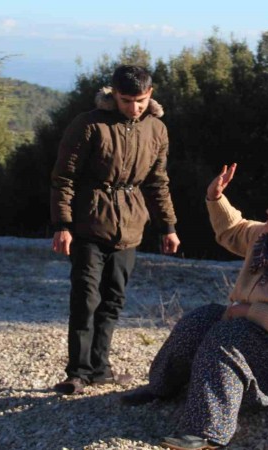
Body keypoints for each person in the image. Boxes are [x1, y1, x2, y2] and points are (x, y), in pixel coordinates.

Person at [122, 163, 268, 450]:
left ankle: (206, 433)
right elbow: (234, 230)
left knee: (228, 338)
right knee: (201, 319)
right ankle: (161, 387)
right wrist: (215, 198)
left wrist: (247, 312)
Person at [50, 65, 180, 395]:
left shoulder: (157, 130)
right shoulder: (88, 124)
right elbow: (64, 178)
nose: (133, 107)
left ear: (150, 95)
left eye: (140, 100)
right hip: (88, 223)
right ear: (113, 95)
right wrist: (63, 225)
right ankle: (77, 372)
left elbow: (158, 182)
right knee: (85, 297)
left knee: (113, 300)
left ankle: (101, 369)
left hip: (131, 226)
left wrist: (168, 226)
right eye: (126, 100)